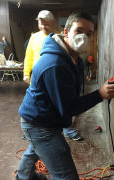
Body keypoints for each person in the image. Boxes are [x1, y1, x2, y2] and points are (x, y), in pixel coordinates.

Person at [16, 11, 114, 180]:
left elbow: (68, 98)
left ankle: (23, 176)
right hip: (38, 124)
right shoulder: (55, 65)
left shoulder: (75, 59)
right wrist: (100, 94)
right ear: (66, 32)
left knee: (34, 149)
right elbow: (68, 108)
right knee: (65, 174)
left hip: (43, 117)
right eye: (79, 31)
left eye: (89, 33)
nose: (84, 37)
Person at [23, 10, 81, 141]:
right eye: (41, 23)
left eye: (46, 24)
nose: (43, 26)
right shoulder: (34, 37)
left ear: (52, 23)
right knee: (39, 104)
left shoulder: (58, 38)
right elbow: (29, 57)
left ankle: (68, 129)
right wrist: (26, 73)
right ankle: (33, 128)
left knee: (63, 103)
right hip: (39, 79)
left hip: (55, 78)